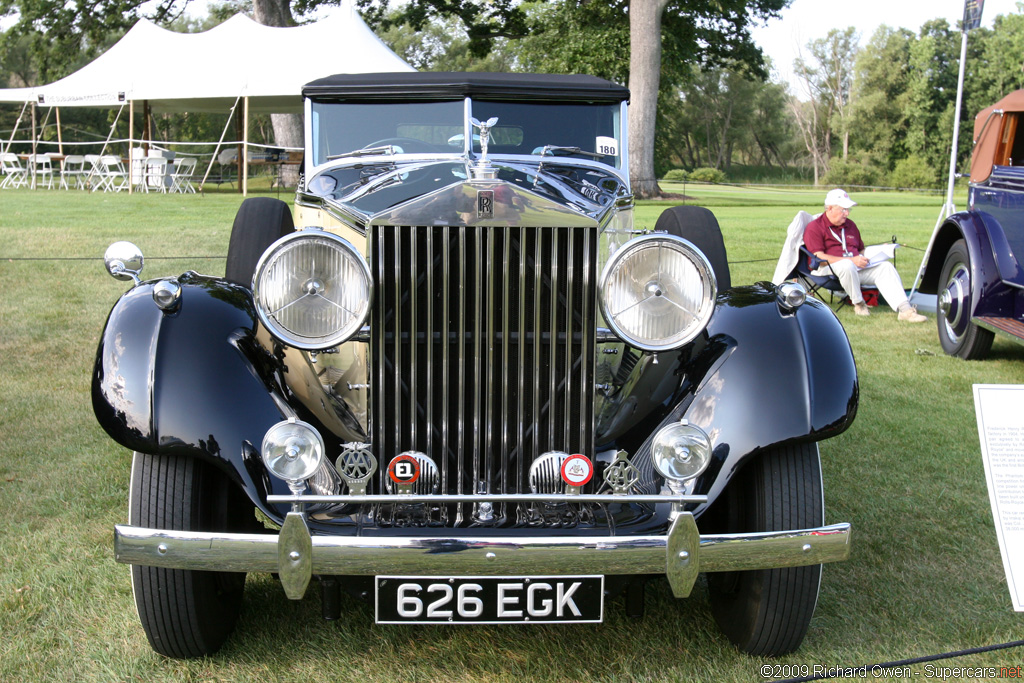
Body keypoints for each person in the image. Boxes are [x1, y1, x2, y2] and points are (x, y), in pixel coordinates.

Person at [803, 188, 927, 322]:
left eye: (848, 210)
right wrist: (851, 260)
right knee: (846, 265)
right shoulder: (815, 227)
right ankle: (859, 304)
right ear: (830, 208)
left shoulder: (850, 225)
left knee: (885, 267)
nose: (847, 213)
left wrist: (878, 251)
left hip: (855, 267)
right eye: (843, 209)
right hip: (827, 269)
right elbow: (819, 257)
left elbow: (860, 250)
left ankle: (906, 311)